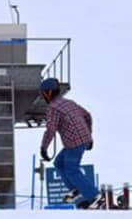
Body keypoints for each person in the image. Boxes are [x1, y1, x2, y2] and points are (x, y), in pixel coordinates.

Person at [39, 78, 102, 209]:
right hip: (81, 139)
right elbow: (87, 115)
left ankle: (96, 196)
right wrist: (89, 136)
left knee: (72, 170)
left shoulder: (53, 108)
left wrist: (44, 148)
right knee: (59, 163)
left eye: (43, 94)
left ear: (48, 93)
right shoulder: (69, 103)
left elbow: (50, 129)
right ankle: (75, 189)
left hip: (73, 142)